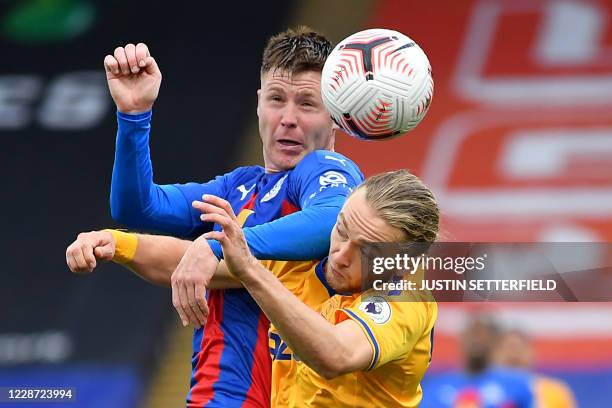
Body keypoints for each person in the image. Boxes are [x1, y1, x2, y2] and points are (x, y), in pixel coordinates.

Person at [93, 27, 363, 407]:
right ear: (257, 103)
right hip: (221, 394)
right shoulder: (237, 186)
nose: (287, 118)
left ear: (336, 113)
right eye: (275, 99)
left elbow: (335, 219)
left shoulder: (323, 170)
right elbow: (138, 207)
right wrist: (134, 116)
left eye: (306, 103)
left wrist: (220, 247)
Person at [67, 170, 440, 407]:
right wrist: (116, 243)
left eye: (368, 251)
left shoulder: (404, 299)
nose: (342, 255)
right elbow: (188, 261)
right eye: (341, 229)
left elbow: (336, 354)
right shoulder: (305, 263)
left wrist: (252, 273)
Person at [420, 316, 536, 408]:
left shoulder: (517, 385)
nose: (477, 340)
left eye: (483, 335)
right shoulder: (435, 387)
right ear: (462, 339)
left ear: (494, 341)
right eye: (473, 333)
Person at [494, 329, 577, 408]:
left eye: (519, 348)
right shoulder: (484, 391)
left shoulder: (554, 392)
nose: (513, 353)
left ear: (532, 353)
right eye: (507, 348)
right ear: (494, 354)